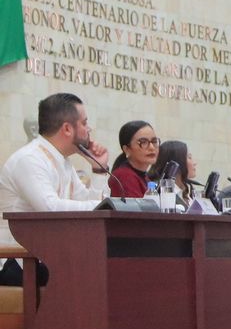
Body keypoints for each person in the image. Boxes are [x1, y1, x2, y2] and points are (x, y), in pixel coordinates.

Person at [0, 93, 111, 282]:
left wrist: (99, 169)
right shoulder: (30, 159)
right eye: (84, 123)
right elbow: (50, 209)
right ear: (67, 128)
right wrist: (102, 207)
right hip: (18, 261)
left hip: (46, 258)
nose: (89, 129)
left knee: (104, 272)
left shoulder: (63, 162)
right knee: (92, 277)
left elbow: (88, 204)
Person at [108, 120, 157, 198]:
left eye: (154, 141)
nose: (152, 147)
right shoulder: (125, 176)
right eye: (143, 142)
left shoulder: (143, 177)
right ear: (127, 149)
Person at [152, 140, 198, 208]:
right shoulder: (160, 192)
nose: (195, 163)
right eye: (189, 157)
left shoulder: (186, 190)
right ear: (176, 162)